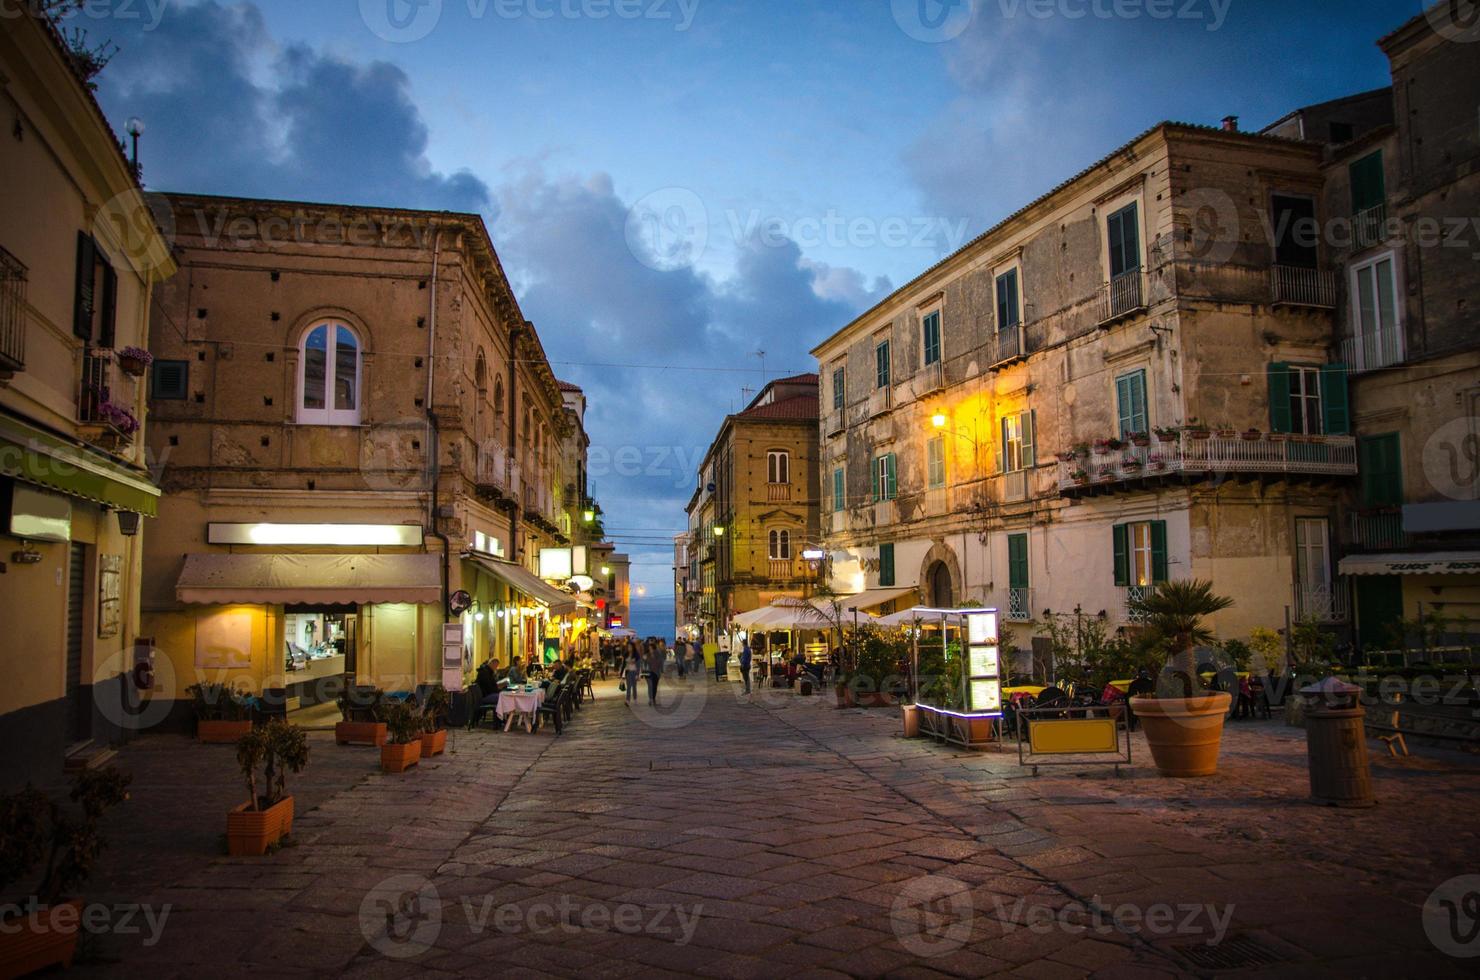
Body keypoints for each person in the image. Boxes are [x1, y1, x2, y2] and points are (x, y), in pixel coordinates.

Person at [646, 639, 666, 706]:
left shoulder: (657, 654)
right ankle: (650, 699)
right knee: (650, 686)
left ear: (654, 649)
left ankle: (653, 698)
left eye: (651, 648)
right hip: (649, 672)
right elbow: (646, 663)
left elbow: (659, 662)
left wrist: (661, 670)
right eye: (649, 649)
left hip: (656, 672)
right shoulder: (648, 654)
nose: (650, 650)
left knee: (654, 686)